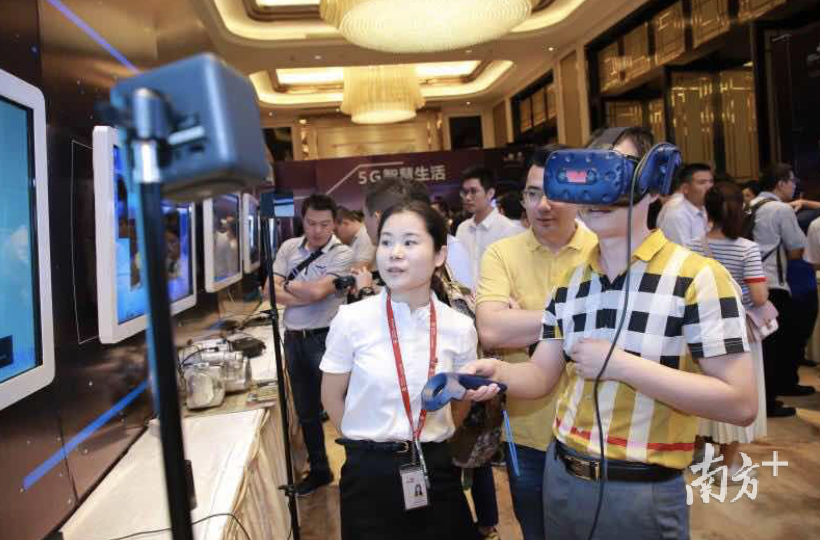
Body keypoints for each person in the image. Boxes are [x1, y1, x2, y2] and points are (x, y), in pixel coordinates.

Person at [463, 127, 757, 540]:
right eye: (591, 174)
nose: (599, 191)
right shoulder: (571, 282)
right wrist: (496, 372)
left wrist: (621, 366)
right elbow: (542, 375)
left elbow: (740, 403)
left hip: (641, 489)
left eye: (616, 172)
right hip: (561, 478)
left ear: (653, 183)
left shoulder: (698, 278)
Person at [320, 201, 479, 540]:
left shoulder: (459, 327)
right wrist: (368, 445)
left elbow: (460, 400)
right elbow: (331, 396)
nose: (394, 253)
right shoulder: (352, 319)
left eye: (409, 241)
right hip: (368, 474)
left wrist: (429, 436)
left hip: (435, 466)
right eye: (387, 241)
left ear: (439, 254)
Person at [476, 144, 597, 540]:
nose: (543, 205)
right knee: (537, 531)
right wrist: (581, 313)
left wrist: (524, 318)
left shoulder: (603, 250)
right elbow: (491, 330)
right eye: (532, 193)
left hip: (595, 429)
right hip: (526, 431)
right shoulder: (502, 253)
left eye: (555, 193)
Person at [271, 194, 353, 496]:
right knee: (306, 412)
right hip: (293, 339)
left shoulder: (342, 253)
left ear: (334, 223)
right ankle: (319, 471)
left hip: (326, 339)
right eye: (311, 223)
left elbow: (319, 292)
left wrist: (288, 287)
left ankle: (356, 471)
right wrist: (305, 293)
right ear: (302, 221)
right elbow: (268, 289)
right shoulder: (288, 247)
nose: (317, 230)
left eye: (324, 224)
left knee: (341, 409)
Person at [688, 182, 769, 475]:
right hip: (739, 333)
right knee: (738, 395)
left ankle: (699, 455)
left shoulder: (693, 246)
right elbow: (759, 297)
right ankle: (727, 464)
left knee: (701, 393)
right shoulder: (747, 249)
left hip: (700, 330)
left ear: (707, 210)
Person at [749, 163, 814, 415]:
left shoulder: (751, 205)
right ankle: (770, 399)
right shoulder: (780, 209)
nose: (794, 185)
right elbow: (797, 248)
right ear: (780, 183)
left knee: (763, 346)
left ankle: (770, 392)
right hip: (774, 284)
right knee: (777, 345)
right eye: (792, 180)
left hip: (751, 282)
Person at [456, 166, 520, 287]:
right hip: (465, 297)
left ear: (490, 193)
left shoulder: (507, 229)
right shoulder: (462, 229)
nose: (467, 197)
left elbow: (514, 275)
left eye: (473, 191)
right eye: (464, 192)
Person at [658, 163, 714, 246]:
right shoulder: (676, 215)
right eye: (702, 182)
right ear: (685, 188)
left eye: (711, 181)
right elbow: (682, 251)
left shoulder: (703, 209)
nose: (709, 187)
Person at [335, 205, 375, 270]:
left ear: (345, 223)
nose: (336, 236)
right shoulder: (356, 238)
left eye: (335, 231)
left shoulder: (365, 236)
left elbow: (361, 269)